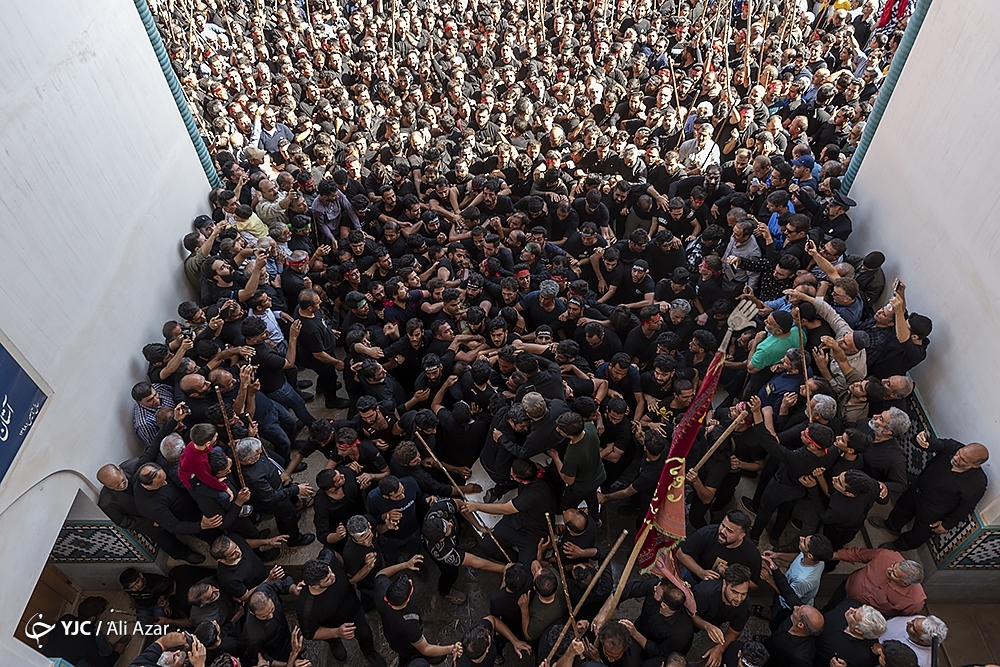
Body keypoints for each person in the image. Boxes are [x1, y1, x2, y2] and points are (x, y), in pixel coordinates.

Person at [871, 430, 989, 551]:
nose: (956, 458)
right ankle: (891, 526)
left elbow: (966, 507)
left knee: (918, 534)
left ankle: (897, 546)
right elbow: (930, 444)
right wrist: (920, 439)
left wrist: (947, 524)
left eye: (963, 460)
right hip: (918, 489)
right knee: (901, 509)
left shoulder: (977, 483)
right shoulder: (953, 447)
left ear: (976, 465)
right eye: (959, 453)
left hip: (934, 510)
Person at [297, 549, 389, 667]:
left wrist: (345, 570)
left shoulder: (327, 559)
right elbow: (311, 633)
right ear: (314, 586)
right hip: (332, 625)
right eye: (327, 579)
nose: (333, 576)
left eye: (330, 572)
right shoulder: (307, 609)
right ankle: (334, 642)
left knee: (365, 634)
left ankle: (370, 653)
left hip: (354, 609)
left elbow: (333, 553)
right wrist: (336, 632)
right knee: (332, 638)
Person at [374, 562, 463, 667]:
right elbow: (425, 648)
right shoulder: (409, 625)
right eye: (410, 585)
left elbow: (380, 574)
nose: (411, 581)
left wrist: (405, 565)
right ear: (407, 598)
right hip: (406, 645)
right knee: (413, 657)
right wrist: (451, 648)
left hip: (391, 634)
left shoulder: (381, 588)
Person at [826, 547, 926, 618]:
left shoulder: (914, 601)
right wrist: (832, 555)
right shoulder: (886, 555)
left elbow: (901, 619)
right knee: (829, 607)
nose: (889, 570)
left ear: (905, 583)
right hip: (846, 589)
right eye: (894, 565)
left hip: (861, 614)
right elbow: (859, 554)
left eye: (894, 574)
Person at [691, 564, 754, 667]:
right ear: (724, 583)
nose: (738, 599)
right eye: (734, 592)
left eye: (743, 594)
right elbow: (690, 614)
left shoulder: (745, 605)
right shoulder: (704, 592)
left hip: (716, 623)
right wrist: (707, 626)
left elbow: (734, 632)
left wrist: (720, 648)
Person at [882, 615, 948, 667]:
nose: (908, 623)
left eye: (913, 628)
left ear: (922, 641)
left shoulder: (923, 662)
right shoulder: (920, 621)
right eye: (913, 620)